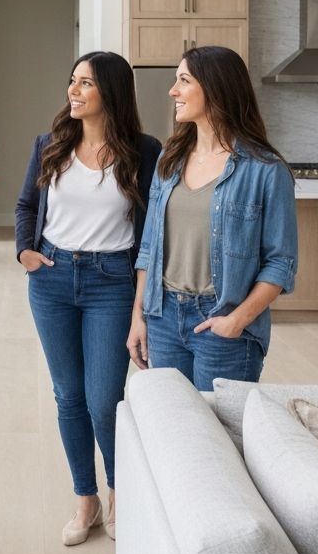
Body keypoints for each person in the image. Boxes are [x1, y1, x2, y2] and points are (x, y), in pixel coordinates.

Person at [15, 51, 161, 546]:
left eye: (86, 84)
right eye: (72, 81)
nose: (73, 91)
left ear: (110, 92)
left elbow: (153, 230)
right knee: (69, 396)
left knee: (104, 400)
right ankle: (86, 499)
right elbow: (26, 204)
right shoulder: (50, 144)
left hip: (111, 280)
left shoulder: (144, 151)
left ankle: (121, 492)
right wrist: (25, 251)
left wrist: (143, 302)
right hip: (52, 278)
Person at [127, 45, 297, 393]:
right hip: (163, 316)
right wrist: (139, 316)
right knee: (173, 421)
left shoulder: (265, 170)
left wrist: (238, 319)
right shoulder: (169, 160)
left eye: (183, 80)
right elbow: (149, 248)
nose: (173, 91)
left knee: (220, 425)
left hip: (222, 319)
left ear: (215, 88)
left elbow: (281, 262)